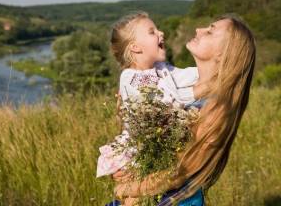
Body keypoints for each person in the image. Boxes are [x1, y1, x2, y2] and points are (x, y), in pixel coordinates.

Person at [113, 15, 256, 206]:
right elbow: (140, 132)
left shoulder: (217, 107)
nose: (199, 30)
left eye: (210, 31)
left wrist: (127, 190)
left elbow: (179, 173)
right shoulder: (172, 80)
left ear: (223, 53)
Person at [98, 11, 203, 204]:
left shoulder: (162, 68)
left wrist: (213, 70)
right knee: (138, 197)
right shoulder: (130, 78)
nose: (161, 33)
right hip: (141, 153)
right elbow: (167, 101)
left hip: (162, 149)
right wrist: (200, 90)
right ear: (135, 47)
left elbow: (186, 75)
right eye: (152, 31)